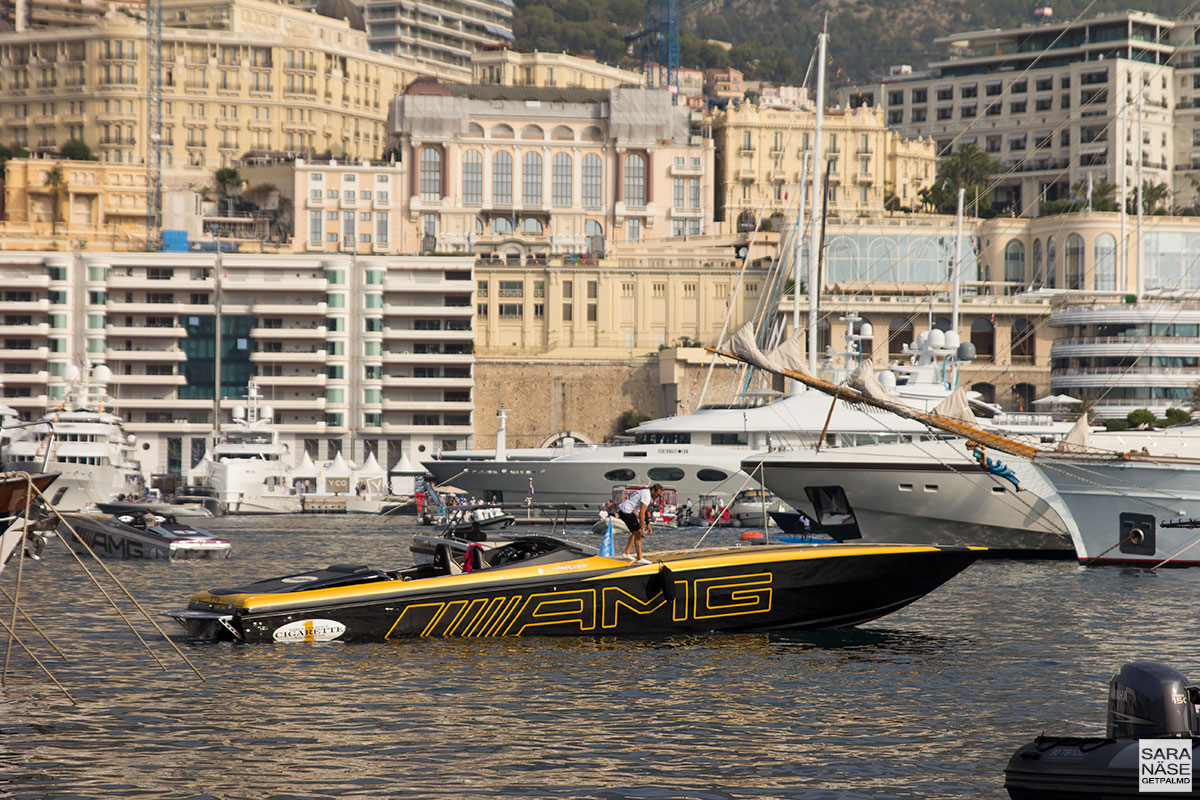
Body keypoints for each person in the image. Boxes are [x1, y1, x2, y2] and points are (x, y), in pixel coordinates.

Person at [618, 484, 663, 565]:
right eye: (657, 494)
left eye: (659, 495)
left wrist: (648, 524)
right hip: (627, 512)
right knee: (638, 533)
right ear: (653, 490)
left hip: (626, 511)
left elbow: (645, 511)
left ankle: (626, 553)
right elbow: (641, 513)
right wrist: (642, 529)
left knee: (634, 533)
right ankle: (640, 558)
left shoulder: (646, 493)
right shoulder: (647, 495)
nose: (658, 497)